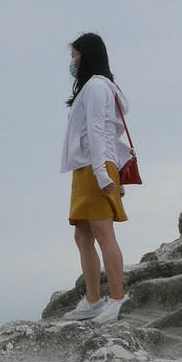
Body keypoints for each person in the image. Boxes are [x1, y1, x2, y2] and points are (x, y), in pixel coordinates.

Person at [60, 32, 132, 322]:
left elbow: (100, 130)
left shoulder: (97, 88)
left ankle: (116, 298)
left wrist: (104, 172)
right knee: (82, 235)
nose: (73, 62)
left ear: (87, 56)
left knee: (103, 233)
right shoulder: (92, 88)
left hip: (95, 167)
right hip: (86, 168)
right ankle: (93, 300)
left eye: (75, 56)